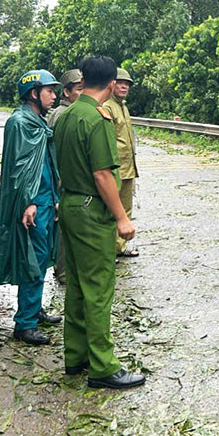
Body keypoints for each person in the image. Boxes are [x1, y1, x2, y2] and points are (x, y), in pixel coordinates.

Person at [53, 56, 145, 389]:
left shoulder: (66, 116)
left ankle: (75, 356)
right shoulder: (97, 117)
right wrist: (122, 218)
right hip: (92, 210)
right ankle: (103, 365)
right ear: (109, 84)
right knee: (99, 288)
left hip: (70, 204)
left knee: (77, 284)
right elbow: (103, 173)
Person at [0, 70, 63, 345]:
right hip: (33, 203)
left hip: (45, 199)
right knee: (33, 259)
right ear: (34, 93)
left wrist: (53, 196)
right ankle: (24, 325)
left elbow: (44, 163)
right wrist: (29, 202)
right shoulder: (20, 122)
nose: (54, 96)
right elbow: (21, 169)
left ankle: (34, 309)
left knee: (43, 258)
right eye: (49, 91)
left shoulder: (37, 121)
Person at [47, 68, 83, 285]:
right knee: (63, 227)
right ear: (67, 92)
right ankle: (63, 272)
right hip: (61, 177)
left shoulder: (65, 113)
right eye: (79, 89)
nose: (83, 93)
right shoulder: (62, 115)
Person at [101, 68, 139, 258]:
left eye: (128, 84)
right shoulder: (107, 106)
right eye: (121, 82)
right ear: (111, 84)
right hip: (115, 169)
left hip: (129, 168)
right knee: (112, 211)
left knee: (126, 208)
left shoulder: (123, 107)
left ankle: (120, 246)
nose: (125, 86)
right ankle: (110, 250)